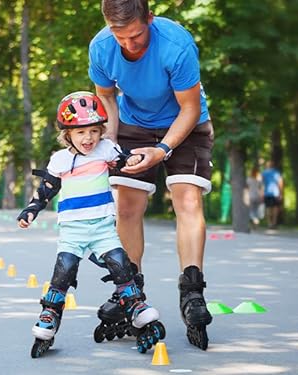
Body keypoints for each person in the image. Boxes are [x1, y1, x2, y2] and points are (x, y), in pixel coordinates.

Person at [88, 0, 213, 350]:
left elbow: (188, 107)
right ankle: (129, 290)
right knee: (126, 206)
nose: (129, 44)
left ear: (150, 19)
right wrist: (110, 140)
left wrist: (164, 150)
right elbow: (107, 98)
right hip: (133, 123)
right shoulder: (100, 47)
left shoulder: (176, 45)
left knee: (187, 199)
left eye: (137, 35)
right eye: (120, 36)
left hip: (185, 122)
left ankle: (192, 291)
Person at [17, 91, 164, 358]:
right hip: (73, 230)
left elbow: (121, 159)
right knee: (64, 271)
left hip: (103, 227)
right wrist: (31, 210)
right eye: (81, 132)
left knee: (121, 264)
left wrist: (129, 159)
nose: (89, 138)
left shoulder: (105, 150)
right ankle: (50, 314)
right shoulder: (60, 160)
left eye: (94, 131)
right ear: (68, 134)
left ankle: (135, 306)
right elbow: (46, 189)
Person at [261, 160, 283, 229]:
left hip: (266, 193)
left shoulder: (264, 173)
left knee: (268, 208)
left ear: (267, 166)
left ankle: (269, 223)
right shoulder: (276, 173)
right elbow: (280, 183)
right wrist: (281, 193)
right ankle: (274, 223)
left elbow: (262, 184)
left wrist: (262, 193)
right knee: (275, 208)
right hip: (275, 193)